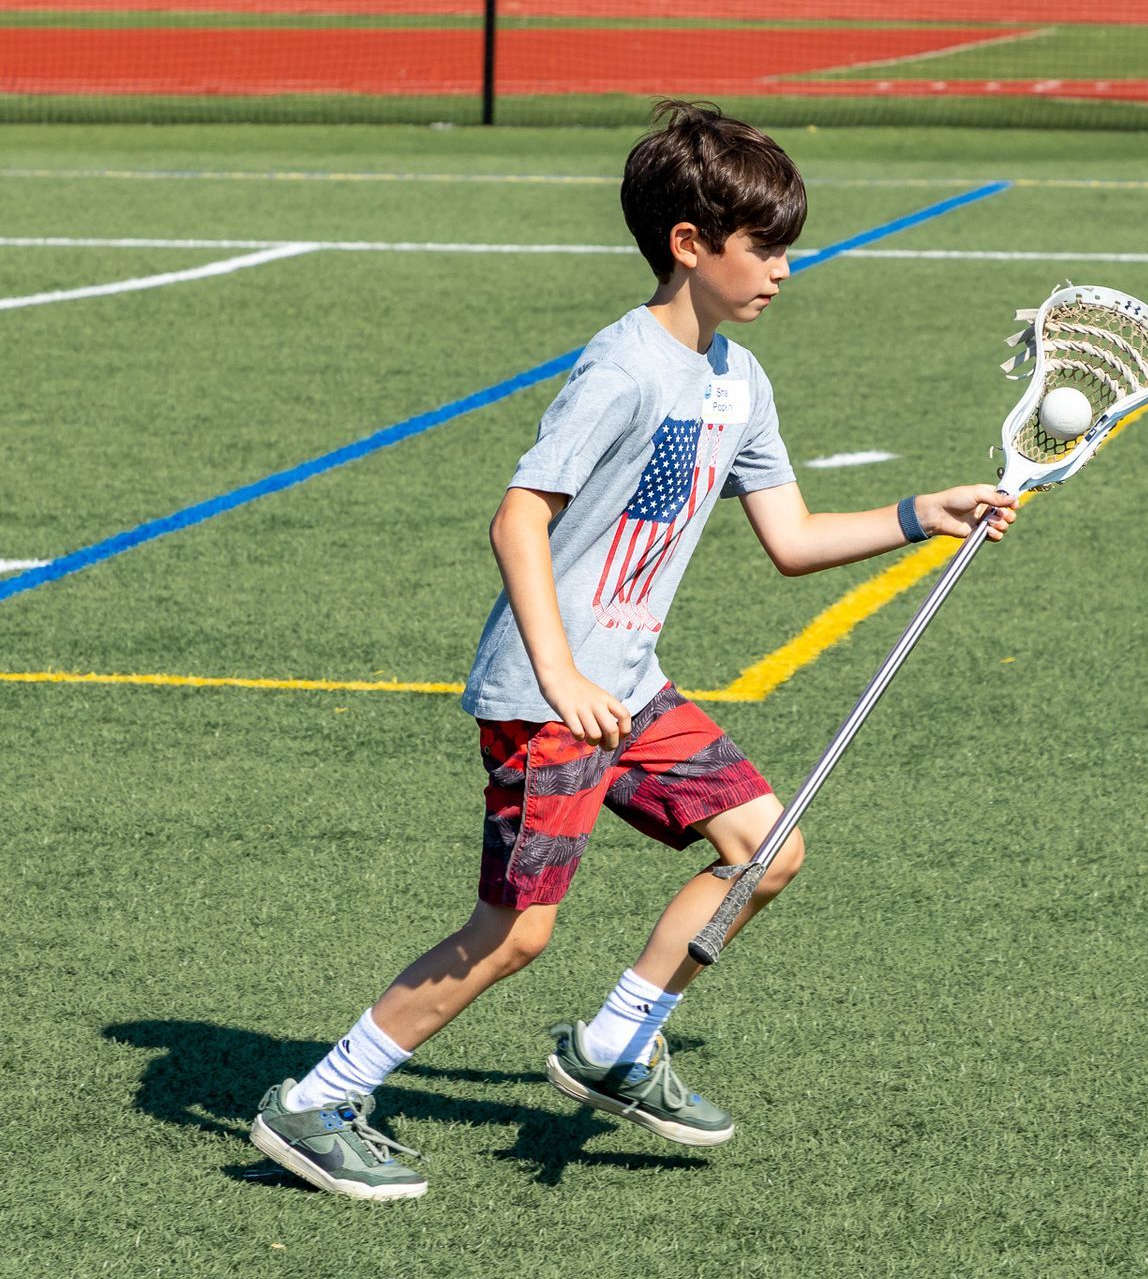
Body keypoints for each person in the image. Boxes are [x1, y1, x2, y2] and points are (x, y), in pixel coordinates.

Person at [248, 100, 1015, 1200]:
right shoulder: (622, 367)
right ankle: (317, 1099)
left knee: (767, 847)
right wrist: (560, 674)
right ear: (689, 244)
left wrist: (920, 514)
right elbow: (519, 517)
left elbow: (792, 540)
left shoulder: (738, 380)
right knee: (516, 933)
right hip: (548, 695)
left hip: (628, 687)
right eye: (765, 246)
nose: (785, 269)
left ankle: (615, 1043)